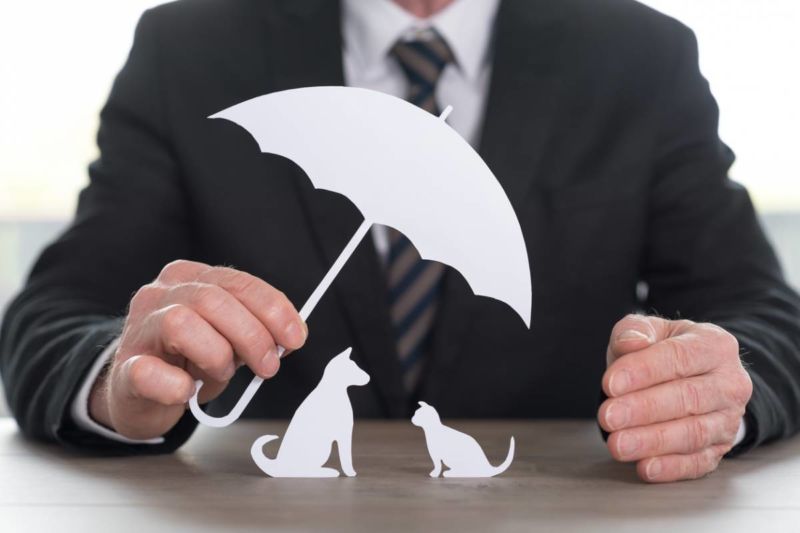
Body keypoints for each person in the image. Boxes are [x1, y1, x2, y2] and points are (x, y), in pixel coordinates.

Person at [1, 0, 799, 484]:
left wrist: (716, 391)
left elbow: (767, 318)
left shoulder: (642, 58)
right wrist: (121, 378)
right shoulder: (188, 49)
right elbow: (50, 320)